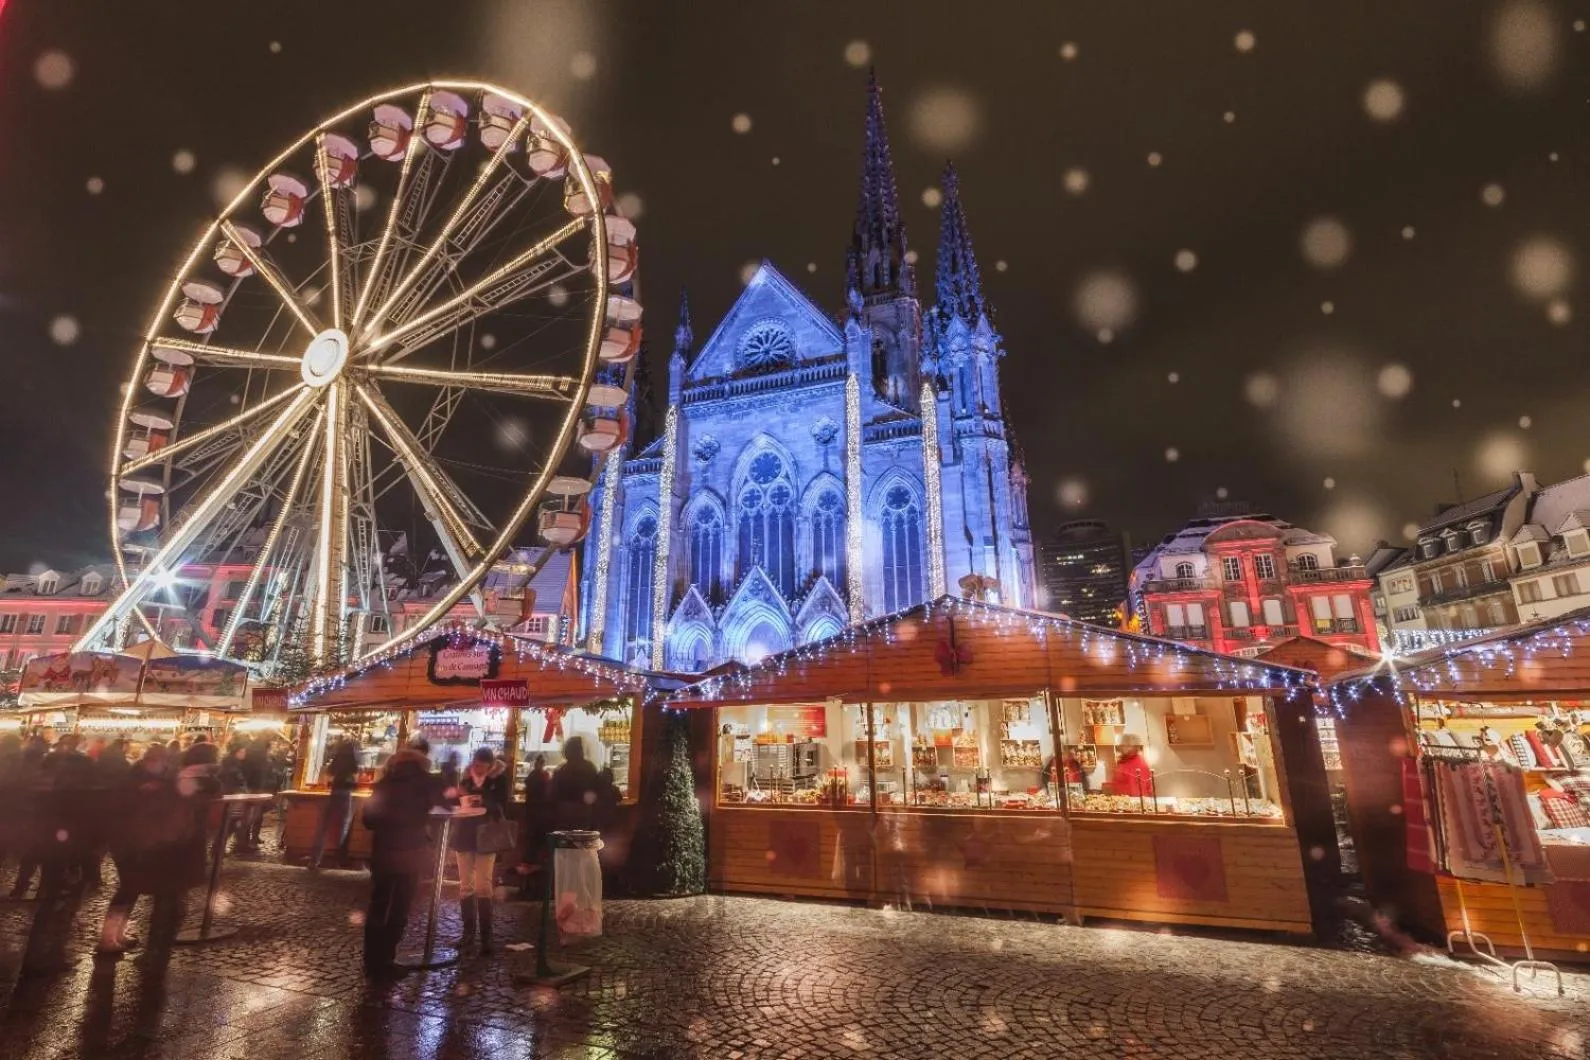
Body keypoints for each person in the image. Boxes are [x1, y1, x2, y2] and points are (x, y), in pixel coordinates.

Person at [96, 744, 201, 957]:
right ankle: (108, 937)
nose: (159, 764)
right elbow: (122, 809)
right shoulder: (133, 781)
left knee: (132, 888)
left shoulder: (154, 780)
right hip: (130, 843)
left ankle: (117, 933)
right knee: (128, 888)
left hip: (141, 843)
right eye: (156, 760)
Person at [360, 737, 442, 980]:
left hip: (383, 853)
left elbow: (368, 820)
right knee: (400, 907)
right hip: (411, 852)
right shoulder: (427, 782)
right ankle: (387, 959)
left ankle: (371, 960)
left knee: (378, 904)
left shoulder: (384, 783)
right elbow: (443, 806)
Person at [448, 747, 510, 952]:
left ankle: (486, 937)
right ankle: (468, 933)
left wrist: (482, 799)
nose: (477, 768)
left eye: (482, 766)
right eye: (475, 764)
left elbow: (502, 804)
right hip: (464, 836)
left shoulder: (499, 780)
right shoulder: (466, 779)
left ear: (490, 766)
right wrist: (457, 797)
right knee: (466, 885)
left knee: (484, 885)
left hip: (486, 837)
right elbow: (455, 802)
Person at [309, 738, 360, 870]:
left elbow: (327, 779)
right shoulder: (353, 766)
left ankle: (315, 859)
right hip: (345, 797)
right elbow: (355, 784)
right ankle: (337, 859)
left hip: (332, 795)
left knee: (323, 828)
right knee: (342, 828)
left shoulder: (334, 764)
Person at [550, 736, 601, 830]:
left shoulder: (562, 769)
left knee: (566, 834)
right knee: (582, 835)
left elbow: (554, 791)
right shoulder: (589, 767)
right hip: (584, 809)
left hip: (565, 809)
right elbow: (596, 788)